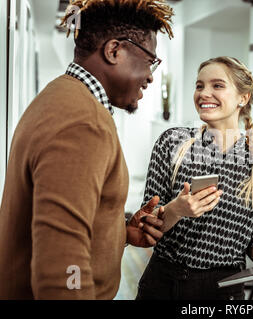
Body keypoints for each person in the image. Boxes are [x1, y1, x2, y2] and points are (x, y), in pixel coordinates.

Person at [0, 0, 174, 299]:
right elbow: (62, 264)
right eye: (150, 60)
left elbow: (66, 221)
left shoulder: (62, 95)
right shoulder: (82, 122)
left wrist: (119, 231)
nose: (151, 75)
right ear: (114, 51)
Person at [135, 56, 253, 300]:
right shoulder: (172, 143)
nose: (204, 93)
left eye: (217, 85)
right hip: (163, 283)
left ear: (242, 98)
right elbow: (145, 227)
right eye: (199, 85)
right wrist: (176, 210)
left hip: (224, 290)